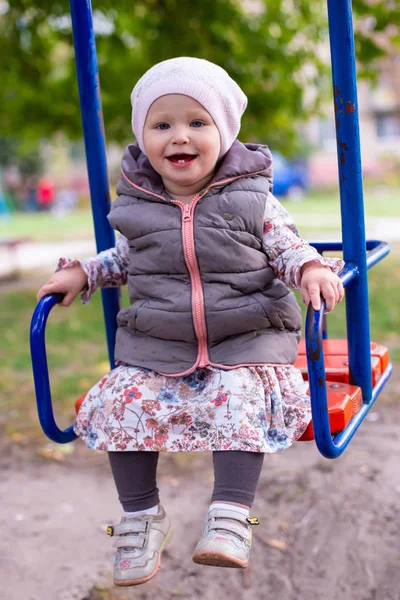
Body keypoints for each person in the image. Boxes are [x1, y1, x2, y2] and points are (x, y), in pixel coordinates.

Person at [37, 57, 344, 587]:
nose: (179, 136)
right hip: (162, 347)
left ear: (224, 134)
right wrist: (83, 274)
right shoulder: (136, 206)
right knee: (120, 400)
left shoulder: (254, 200)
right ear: (144, 139)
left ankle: (229, 514)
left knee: (238, 397)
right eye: (162, 125)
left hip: (248, 337)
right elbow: (123, 261)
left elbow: (289, 248)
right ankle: (140, 518)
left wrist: (312, 267)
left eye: (197, 122)